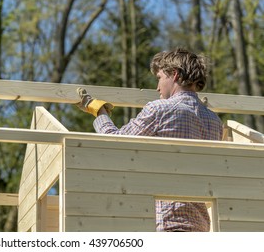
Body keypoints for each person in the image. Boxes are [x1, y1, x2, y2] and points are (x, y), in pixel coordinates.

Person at [76, 47, 223, 232]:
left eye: (160, 78)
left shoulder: (160, 109)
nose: (157, 87)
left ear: (175, 75)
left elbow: (116, 143)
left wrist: (99, 113)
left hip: (169, 223)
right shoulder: (215, 122)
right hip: (200, 226)